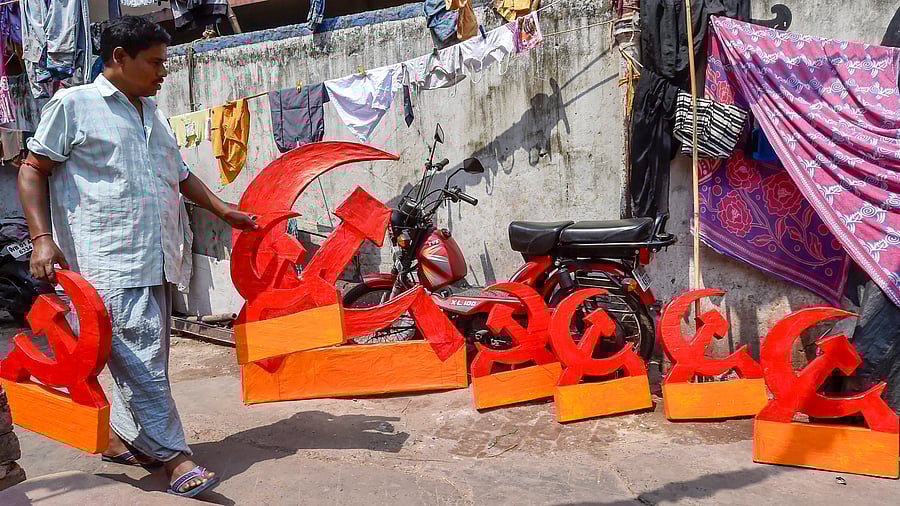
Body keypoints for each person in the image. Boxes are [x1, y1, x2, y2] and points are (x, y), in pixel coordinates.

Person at [17, 16, 257, 498]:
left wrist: (222, 209)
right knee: (142, 358)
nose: (163, 72)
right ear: (120, 58)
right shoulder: (74, 104)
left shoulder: (154, 115)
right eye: (155, 62)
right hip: (107, 258)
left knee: (145, 359)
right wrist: (41, 238)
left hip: (161, 255)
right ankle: (175, 458)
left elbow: (181, 174)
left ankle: (133, 439)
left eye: (165, 63)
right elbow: (32, 169)